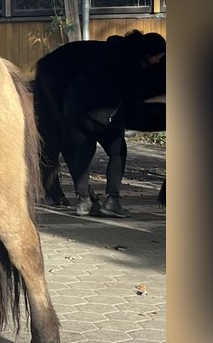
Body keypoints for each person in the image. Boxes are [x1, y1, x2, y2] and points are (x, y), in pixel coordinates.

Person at [34, 31, 165, 217]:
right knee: (118, 152)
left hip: (73, 107)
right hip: (101, 111)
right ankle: (112, 201)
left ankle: (83, 201)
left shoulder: (110, 52)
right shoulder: (134, 65)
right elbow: (132, 99)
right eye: (158, 58)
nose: (158, 62)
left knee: (83, 151)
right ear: (148, 54)